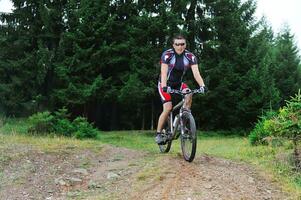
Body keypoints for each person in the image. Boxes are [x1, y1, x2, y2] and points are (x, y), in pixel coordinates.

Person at [155, 34, 206, 144]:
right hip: (164, 84)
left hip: (178, 84)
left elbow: (196, 74)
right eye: (177, 44)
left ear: (185, 44)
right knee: (168, 108)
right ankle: (159, 133)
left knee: (189, 94)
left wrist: (202, 86)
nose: (180, 47)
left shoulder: (190, 57)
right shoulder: (167, 55)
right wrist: (164, 86)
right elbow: (163, 73)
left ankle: (183, 119)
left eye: (182, 44)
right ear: (173, 45)